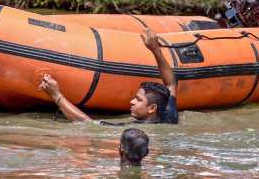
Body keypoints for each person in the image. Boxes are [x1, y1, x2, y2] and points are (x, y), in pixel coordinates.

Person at [38, 28, 178, 124]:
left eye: (138, 99)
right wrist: (155, 49)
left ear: (152, 108)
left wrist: (56, 95)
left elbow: (88, 124)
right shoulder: (169, 116)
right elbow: (171, 84)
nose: (132, 102)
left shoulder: (136, 130)